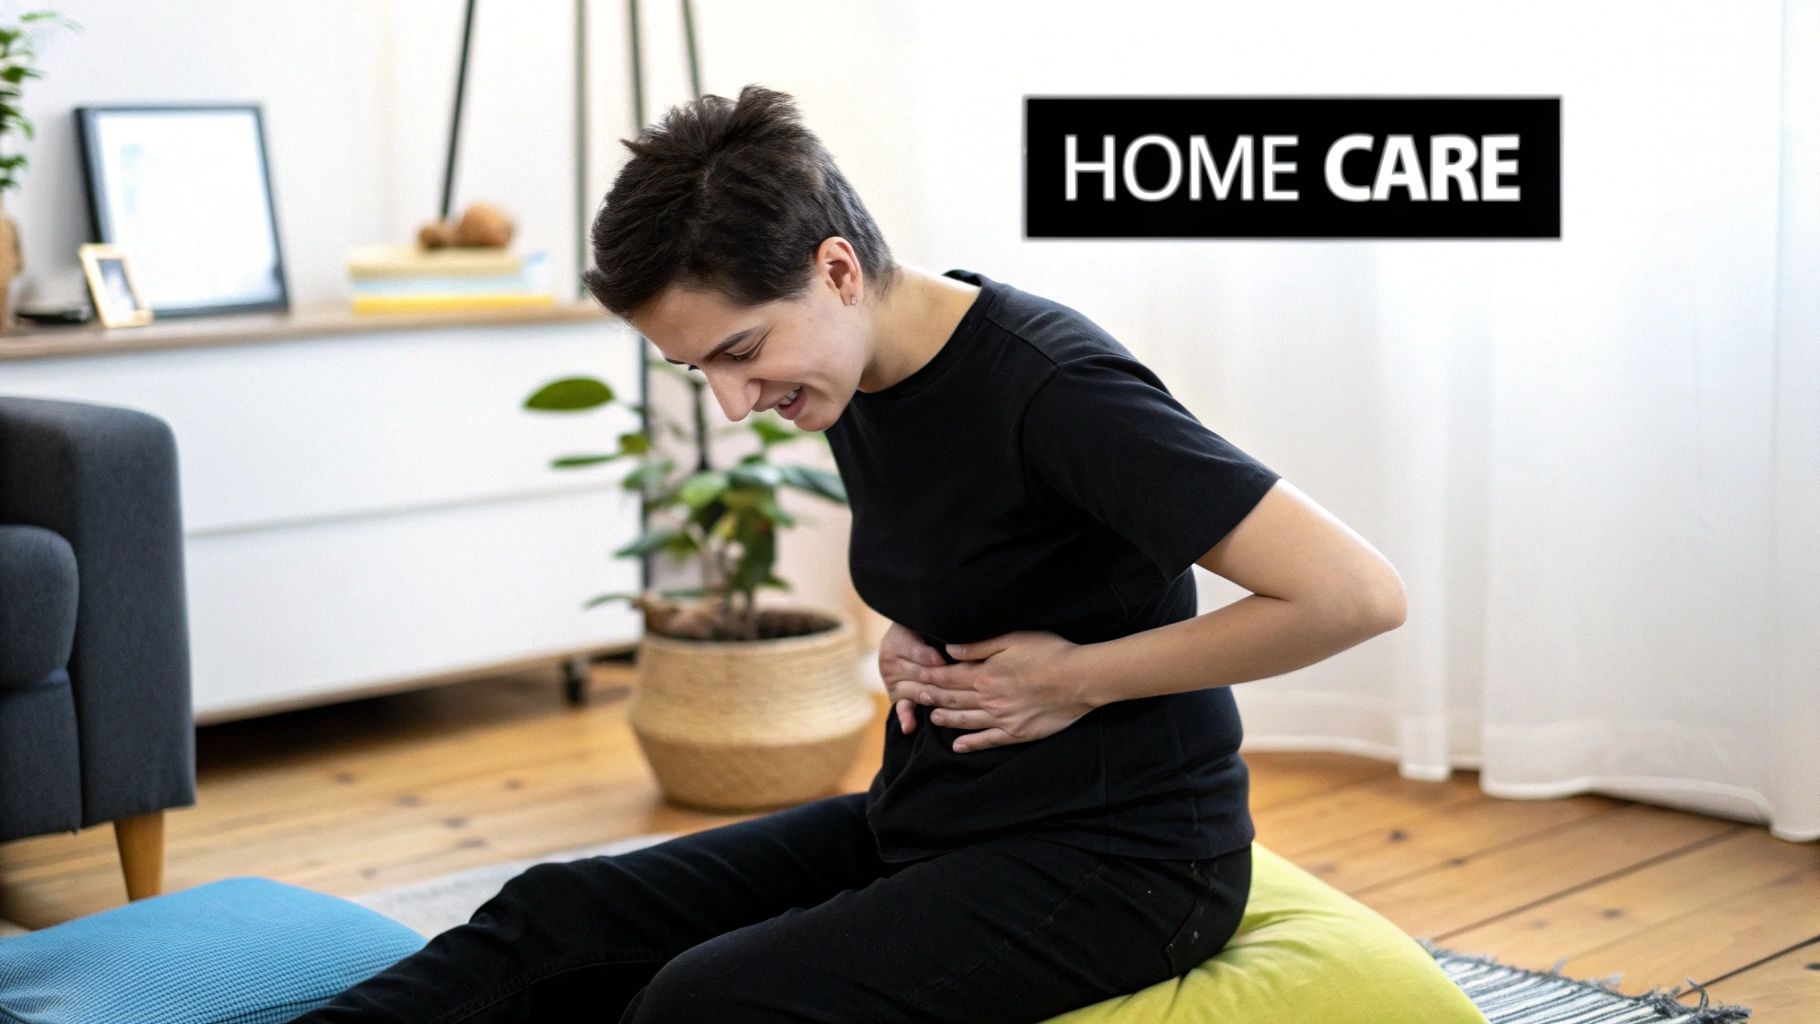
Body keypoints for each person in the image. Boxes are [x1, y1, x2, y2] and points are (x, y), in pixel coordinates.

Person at [295, 84, 1406, 1024]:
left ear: (835, 269)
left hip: (1125, 861)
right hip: (933, 819)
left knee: (703, 1003)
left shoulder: (1052, 389)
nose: (733, 404)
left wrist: (1068, 679)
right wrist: (914, 636)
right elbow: (992, 542)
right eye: (700, 371)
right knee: (550, 916)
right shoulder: (855, 370)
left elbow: (1352, 594)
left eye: (740, 352)